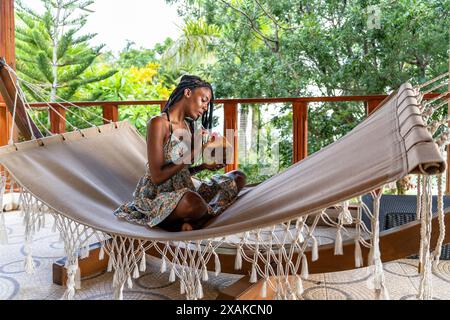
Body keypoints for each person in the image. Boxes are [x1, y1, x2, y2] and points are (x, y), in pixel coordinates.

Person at [114, 75, 246, 231]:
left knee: (237, 177)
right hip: (159, 196)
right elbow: (158, 177)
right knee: (192, 202)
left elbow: (181, 173)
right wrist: (194, 150)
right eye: (203, 100)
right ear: (188, 93)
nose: (205, 107)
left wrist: (203, 166)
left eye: (208, 104)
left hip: (185, 191)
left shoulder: (190, 126)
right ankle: (197, 218)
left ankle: (192, 220)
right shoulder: (159, 123)